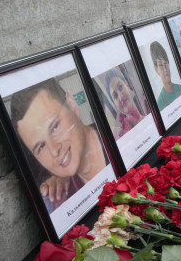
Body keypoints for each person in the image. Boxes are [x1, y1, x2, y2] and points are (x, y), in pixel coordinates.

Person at [9, 77, 109, 212]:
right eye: (41, 147)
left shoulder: (119, 134)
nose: (54, 151)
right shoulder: (58, 203)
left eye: (54, 127)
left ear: (72, 105)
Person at [103, 68, 146, 137]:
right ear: (115, 104)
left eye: (120, 87)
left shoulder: (150, 117)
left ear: (127, 84)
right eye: (115, 96)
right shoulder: (121, 140)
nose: (120, 96)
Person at [150, 41, 181, 111]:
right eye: (160, 65)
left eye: (166, 63)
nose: (165, 69)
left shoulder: (180, 88)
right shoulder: (160, 103)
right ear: (156, 69)